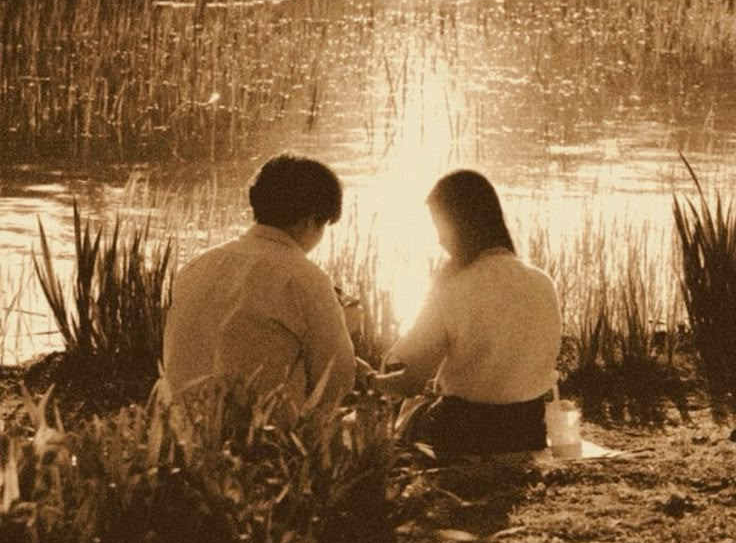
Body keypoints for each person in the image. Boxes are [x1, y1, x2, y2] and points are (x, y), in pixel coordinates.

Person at [369, 169, 562, 456]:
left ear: (461, 226)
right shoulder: (543, 282)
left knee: (410, 409)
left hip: (465, 431)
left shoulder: (453, 286)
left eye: (440, 229)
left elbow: (409, 381)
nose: (439, 241)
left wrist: (369, 380)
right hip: (527, 430)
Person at [162, 153, 357, 424]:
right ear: (310, 220)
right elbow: (337, 383)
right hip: (258, 440)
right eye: (323, 225)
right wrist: (346, 326)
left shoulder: (196, 265)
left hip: (183, 427)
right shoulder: (305, 278)